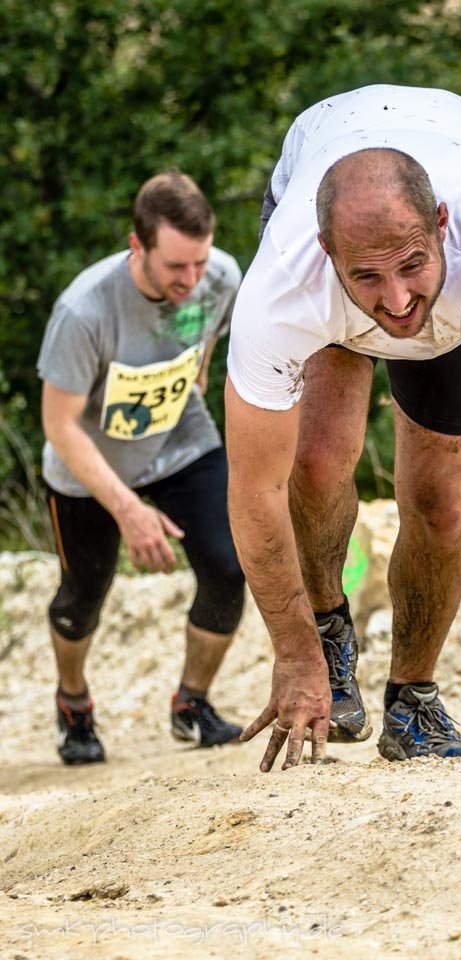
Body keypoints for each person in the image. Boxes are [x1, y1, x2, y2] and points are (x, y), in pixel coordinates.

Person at [224, 84, 461, 773]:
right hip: (321, 169)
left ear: (440, 223)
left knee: (442, 503)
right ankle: (328, 630)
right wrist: (293, 653)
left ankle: (414, 698)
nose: (398, 301)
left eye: (410, 264)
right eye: (369, 277)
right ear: (326, 251)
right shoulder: (287, 281)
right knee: (315, 465)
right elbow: (256, 486)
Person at [38, 171, 245, 765]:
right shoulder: (84, 312)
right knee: (83, 596)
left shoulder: (220, 276)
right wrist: (128, 509)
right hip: (90, 465)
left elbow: (210, 330)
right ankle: (73, 702)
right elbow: (59, 426)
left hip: (179, 439)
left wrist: (198, 373)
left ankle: (192, 704)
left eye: (199, 263)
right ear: (138, 246)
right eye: (177, 267)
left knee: (229, 568)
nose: (192, 280)